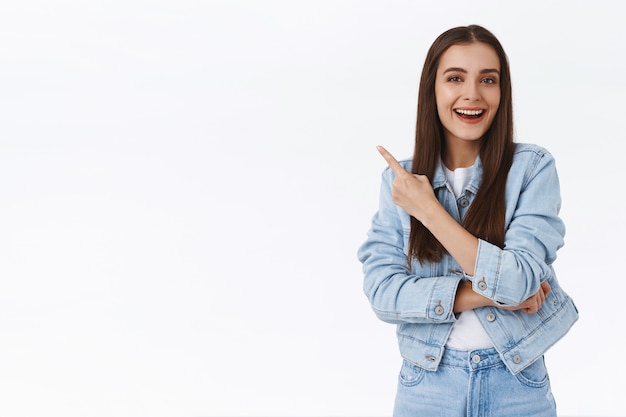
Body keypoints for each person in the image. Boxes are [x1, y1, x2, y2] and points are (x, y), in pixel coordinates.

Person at [357, 25, 578, 417]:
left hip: (516, 383)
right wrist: (492, 294)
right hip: (427, 385)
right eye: (455, 78)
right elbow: (382, 292)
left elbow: (519, 280)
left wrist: (428, 210)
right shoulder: (399, 182)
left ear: (501, 92)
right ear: (433, 90)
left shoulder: (532, 169)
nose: (472, 94)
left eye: (487, 80)